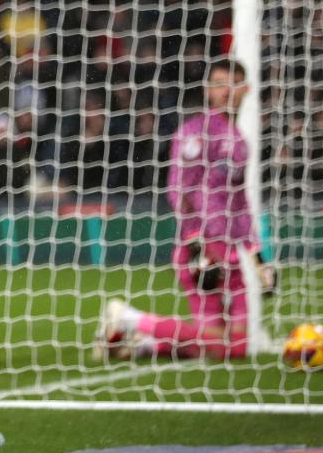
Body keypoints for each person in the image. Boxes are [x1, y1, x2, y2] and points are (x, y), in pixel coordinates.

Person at [97, 57, 275, 361]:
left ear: (246, 89)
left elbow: (240, 203)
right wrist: (196, 245)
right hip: (201, 248)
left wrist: (260, 259)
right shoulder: (194, 133)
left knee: (238, 349)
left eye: (232, 84)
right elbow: (179, 191)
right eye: (219, 84)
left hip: (231, 252)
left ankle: (144, 345)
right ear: (208, 90)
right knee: (219, 347)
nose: (226, 91)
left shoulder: (241, 142)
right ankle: (128, 317)